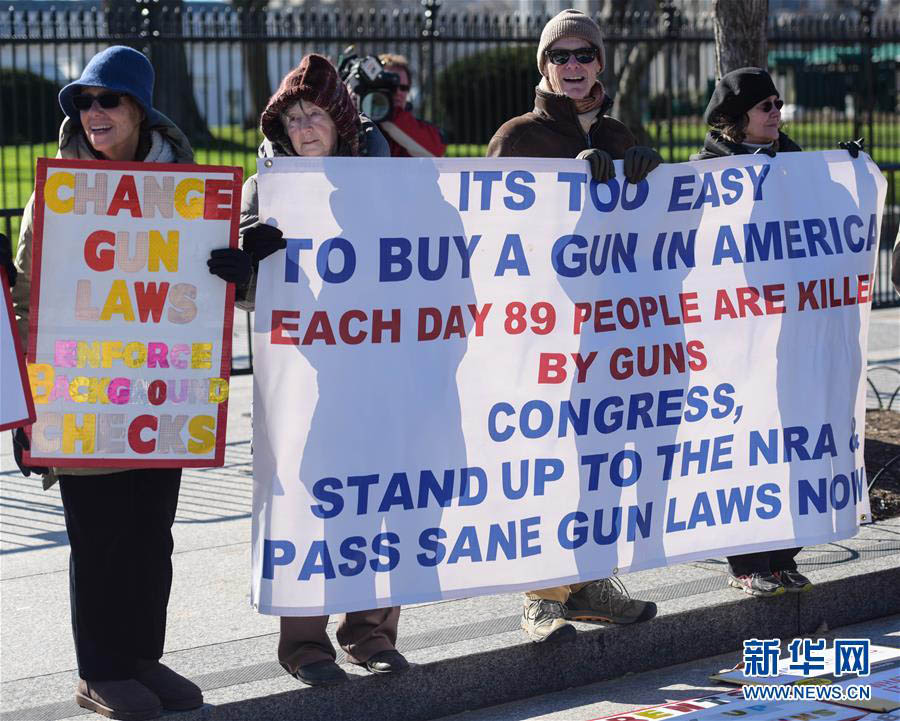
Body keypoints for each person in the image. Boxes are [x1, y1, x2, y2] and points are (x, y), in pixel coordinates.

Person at [11, 46, 203, 721]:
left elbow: (200, 287)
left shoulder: (183, 182)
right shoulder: (58, 188)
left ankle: (141, 655)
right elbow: (31, 291)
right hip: (82, 388)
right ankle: (100, 669)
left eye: (108, 100)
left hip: (164, 388)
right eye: (84, 102)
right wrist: (31, 405)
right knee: (100, 535)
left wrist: (232, 264)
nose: (93, 113)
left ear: (139, 109)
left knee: (151, 532)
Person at [207, 53, 410, 687]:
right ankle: (303, 643)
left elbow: (430, 262)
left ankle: (371, 632)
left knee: (377, 502)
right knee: (303, 502)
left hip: (376, 370)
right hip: (299, 374)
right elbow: (237, 287)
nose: (303, 127)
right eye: (292, 117)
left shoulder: (390, 182)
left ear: (340, 119)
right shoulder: (265, 188)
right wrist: (247, 265)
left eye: (314, 113)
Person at [487, 8, 660, 644]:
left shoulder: (621, 134)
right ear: (544, 66)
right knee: (548, 456)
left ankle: (590, 581)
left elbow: (660, 238)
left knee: (603, 456)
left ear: (600, 61)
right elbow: (494, 239)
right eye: (558, 56)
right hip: (542, 328)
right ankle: (542, 593)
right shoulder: (518, 137)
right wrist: (560, 189)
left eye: (583, 53)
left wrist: (654, 173)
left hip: (611, 328)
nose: (572, 66)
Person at [690, 67, 817, 598]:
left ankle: (784, 555)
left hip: (788, 327)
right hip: (731, 334)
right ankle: (746, 561)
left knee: (791, 438)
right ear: (734, 118)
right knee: (742, 444)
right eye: (767, 105)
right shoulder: (701, 172)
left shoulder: (800, 167)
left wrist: (849, 172)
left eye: (779, 103)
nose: (777, 112)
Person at [373, 53, 446, 158]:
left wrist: (387, 112)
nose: (398, 92)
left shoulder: (410, 125)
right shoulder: (358, 122)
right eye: (390, 86)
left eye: (403, 87)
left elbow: (437, 151)